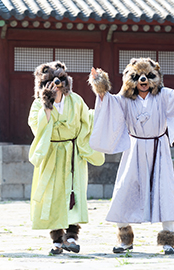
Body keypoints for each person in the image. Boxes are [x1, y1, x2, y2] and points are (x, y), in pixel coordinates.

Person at [88, 58, 174, 255]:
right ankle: (125, 238)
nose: (143, 80)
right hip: (134, 149)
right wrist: (100, 84)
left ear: (156, 78)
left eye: (149, 76)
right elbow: (108, 102)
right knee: (125, 189)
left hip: (159, 149)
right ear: (129, 79)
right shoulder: (124, 99)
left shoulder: (164, 96)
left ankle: (168, 238)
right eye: (137, 76)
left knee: (164, 191)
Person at [28, 61, 105, 255]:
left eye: (60, 79)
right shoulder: (39, 103)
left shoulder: (76, 100)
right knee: (51, 196)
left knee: (74, 194)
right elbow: (36, 126)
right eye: (51, 81)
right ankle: (56, 238)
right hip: (51, 153)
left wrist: (101, 101)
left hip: (72, 153)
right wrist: (46, 106)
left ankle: (71, 236)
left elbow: (87, 121)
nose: (57, 84)